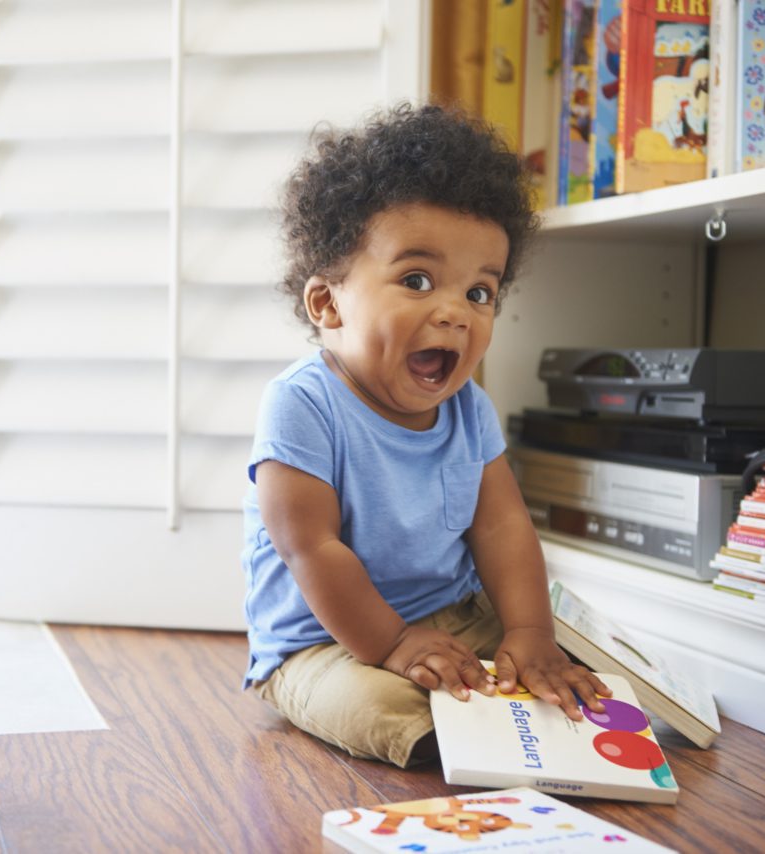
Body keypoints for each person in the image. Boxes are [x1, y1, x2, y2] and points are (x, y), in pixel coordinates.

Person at [241, 102, 610, 768]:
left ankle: (507, 693)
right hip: (324, 641)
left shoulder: (470, 408)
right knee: (379, 709)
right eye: (416, 280)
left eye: (480, 292)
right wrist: (393, 645)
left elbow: (502, 530)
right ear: (328, 303)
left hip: (453, 614)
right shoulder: (301, 405)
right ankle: (460, 721)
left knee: (571, 651)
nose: (455, 312)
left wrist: (528, 632)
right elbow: (312, 549)